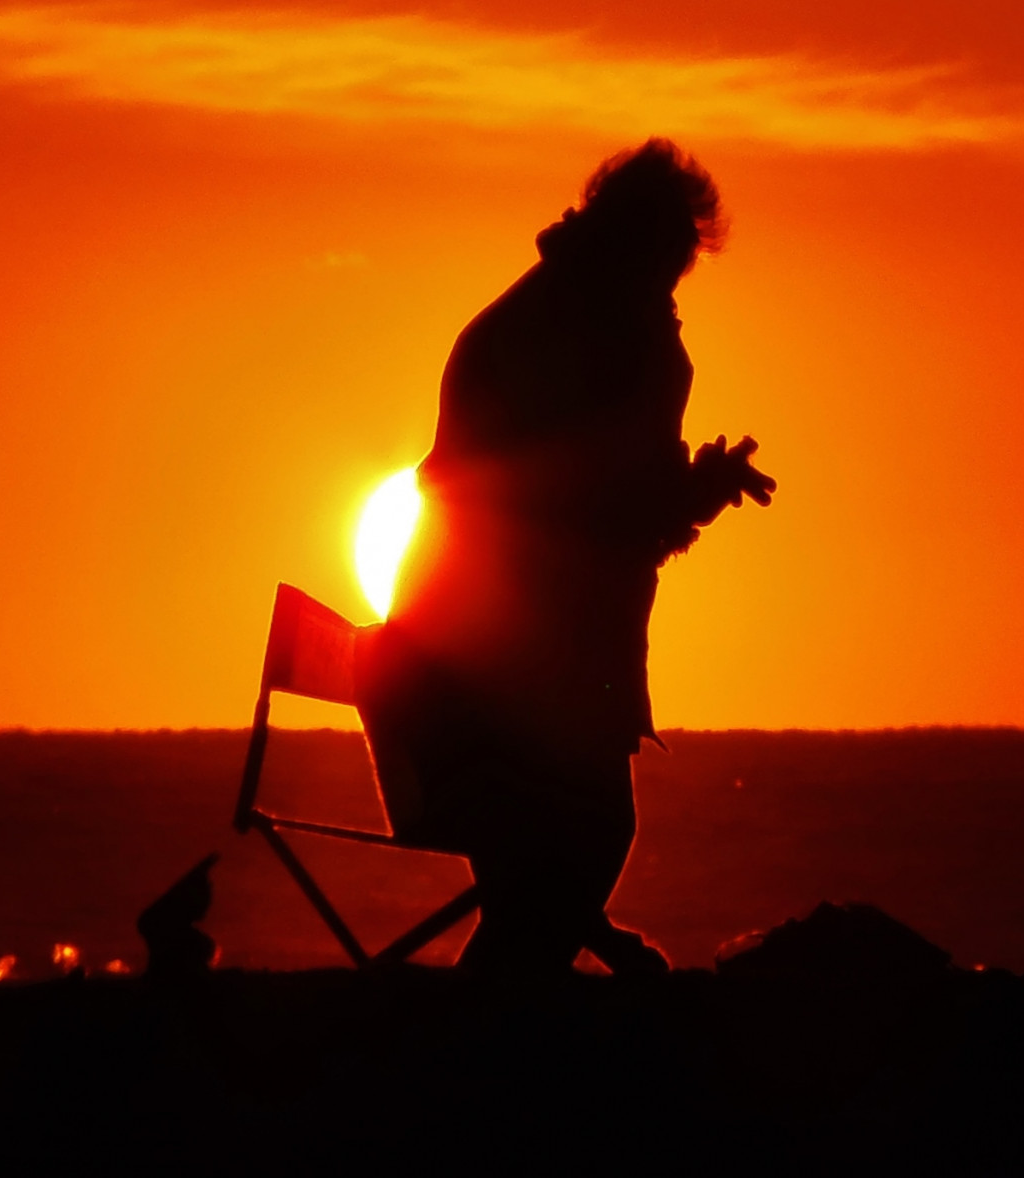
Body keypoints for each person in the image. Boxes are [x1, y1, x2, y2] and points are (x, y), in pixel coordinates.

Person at [357, 140, 774, 977]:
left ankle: (497, 1034)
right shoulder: (603, 335)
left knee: (550, 878)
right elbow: (593, 511)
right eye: (675, 258)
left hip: (446, 674)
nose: (678, 284)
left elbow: (596, 496)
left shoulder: (547, 312)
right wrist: (697, 490)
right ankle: (492, 1051)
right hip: (499, 681)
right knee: (580, 845)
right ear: (645, 246)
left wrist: (689, 486)